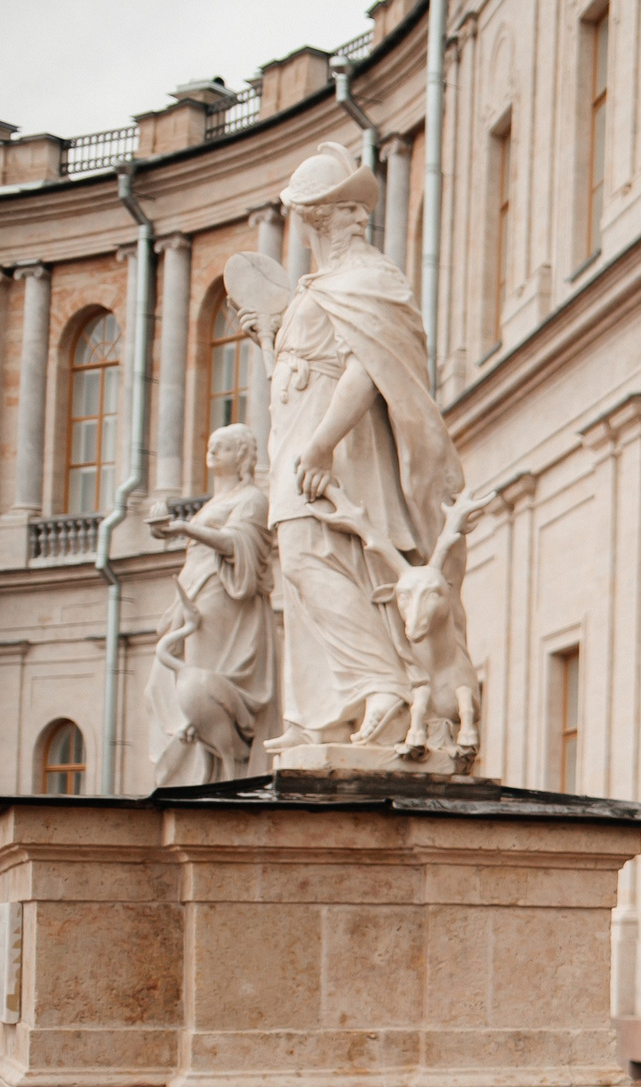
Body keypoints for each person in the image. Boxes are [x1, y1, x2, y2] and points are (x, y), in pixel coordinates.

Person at [238, 142, 464, 751]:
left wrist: (319, 446)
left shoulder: (369, 277)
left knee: (316, 560)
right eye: (344, 209)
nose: (357, 217)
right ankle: (322, 715)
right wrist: (268, 338)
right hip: (299, 446)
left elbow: (371, 367)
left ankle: (383, 688)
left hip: (338, 455)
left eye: (353, 209)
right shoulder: (322, 284)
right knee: (302, 564)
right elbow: (296, 375)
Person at [146, 423, 275, 784]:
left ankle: (227, 773)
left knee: (201, 683)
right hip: (197, 594)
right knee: (176, 684)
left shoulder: (252, 498)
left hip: (224, 597)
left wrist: (184, 529)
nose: (213, 451)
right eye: (211, 444)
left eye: (224, 447)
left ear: (244, 457)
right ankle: (204, 772)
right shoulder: (216, 503)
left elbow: (239, 546)